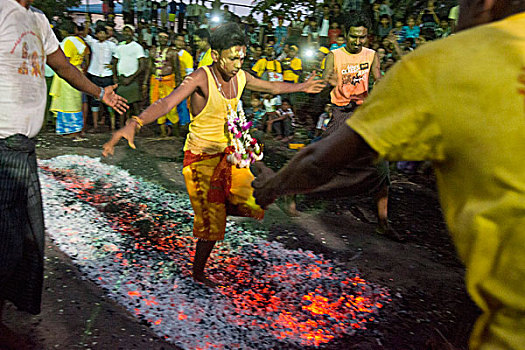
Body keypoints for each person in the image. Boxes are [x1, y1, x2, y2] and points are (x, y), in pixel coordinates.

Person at [252, 1, 525, 348]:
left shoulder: (445, 62)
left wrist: (271, 186)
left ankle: (373, 217)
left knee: (375, 173)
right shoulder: (340, 56)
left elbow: (321, 160)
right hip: (346, 116)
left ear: (482, 4)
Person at [102, 23, 325, 288]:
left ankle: (215, 209)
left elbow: (272, 88)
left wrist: (302, 86)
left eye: (242, 57)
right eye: (233, 57)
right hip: (200, 158)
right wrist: (134, 123)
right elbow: (167, 102)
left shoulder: (241, 77)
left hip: (230, 154)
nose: (238, 63)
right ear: (217, 55)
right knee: (213, 221)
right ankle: (198, 271)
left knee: (257, 201)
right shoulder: (200, 78)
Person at [0, 0, 127, 334]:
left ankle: (14, 300)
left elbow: (65, 68)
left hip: (24, 146)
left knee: (28, 234)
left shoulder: (38, 20)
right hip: (2, 145)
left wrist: (101, 93)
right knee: (8, 237)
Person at [318, 14, 401, 240]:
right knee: (320, 162)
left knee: (381, 168)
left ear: (367, 36)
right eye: (354, 36)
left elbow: (377, 78)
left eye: (362, 37)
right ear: (346, 35)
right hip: (340, 114)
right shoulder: (334, 55)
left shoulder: (372, 55)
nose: (358, 41)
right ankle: (291, 195)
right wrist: (337, 84)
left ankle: (383, 222)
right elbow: (326, 78)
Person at [49, 21, 88, 141]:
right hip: (78, 71)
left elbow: (65, 61)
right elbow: (87, 57)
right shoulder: (80, 41)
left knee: (68, 103)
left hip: (68, 73)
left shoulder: (67, 42)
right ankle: (78, 129)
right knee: (77, 102)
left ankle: (71, 130)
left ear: (64, 31)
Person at [146, 29, 181, 137]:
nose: (162, 39)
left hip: (168, 82)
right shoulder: (152, 52)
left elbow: (177, 69)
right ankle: (163, 133)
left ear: (168, 40)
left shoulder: (173, 52)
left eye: (165, 37)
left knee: (171, 108)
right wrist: (144, 83)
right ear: (157, 38)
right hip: (155, 82)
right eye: (160, 37)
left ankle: (176, 134)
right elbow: (149, 67)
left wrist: (179, 86)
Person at [84, 24, 118, 131]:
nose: (101, 35)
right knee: (95, 100)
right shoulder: (94, 43)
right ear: (97, 34)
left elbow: (118, 56)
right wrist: (87, 23)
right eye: (99, 33)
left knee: (110, 99)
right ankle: (95, 125)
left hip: (107, 75)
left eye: (103, 33)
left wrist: (113, 66)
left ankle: (112, 126)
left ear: (106, 35)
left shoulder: (111, 45)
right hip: (94, 74)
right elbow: (85, 35)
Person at [113, 24, 147, 127]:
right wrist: (116, 77)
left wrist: (131, 78)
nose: (126, 33)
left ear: (132, 33)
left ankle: (138, 126)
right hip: (122, 79)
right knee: (121, 105)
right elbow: (115, 62)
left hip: (133, 79)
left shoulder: (137, 47)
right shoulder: (119, 46)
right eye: (124, 31)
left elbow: (142, 66)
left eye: (128, 31)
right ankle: (122, 127)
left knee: (135, 105)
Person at [174, 33, 193, 128]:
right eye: (178, 40)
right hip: (169, 83)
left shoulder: (187, 56)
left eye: (182, 41)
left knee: (182, 105)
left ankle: (183, 124)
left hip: (181, 84)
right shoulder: (169, 52)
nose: (180, 43)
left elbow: (189, 72)